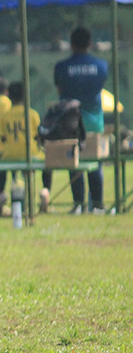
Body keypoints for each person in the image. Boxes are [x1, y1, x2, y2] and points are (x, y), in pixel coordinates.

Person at [54, 26, 108, 214]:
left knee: (74, 163)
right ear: (90, 43)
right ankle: (98, 204)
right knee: (95, 163)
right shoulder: (101, 66)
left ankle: (78, 204)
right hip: (94, 122)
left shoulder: (62, 67)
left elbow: (60, 91)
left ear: (72, 44)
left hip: (72, 123)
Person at [0, 81, 52, 214]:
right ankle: (45, 190)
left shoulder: (4, 116)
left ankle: (0, 194)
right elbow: (39, 135)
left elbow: (1, 137)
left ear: (9, 96)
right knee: (47, 164)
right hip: (31, 154)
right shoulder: (32, 114)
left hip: (10, 155)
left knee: (1, 168)